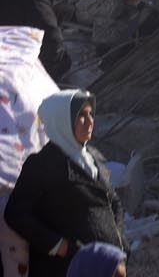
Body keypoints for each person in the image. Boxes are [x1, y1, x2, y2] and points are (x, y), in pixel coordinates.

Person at [5, 90, 126, 277]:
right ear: (61, 121)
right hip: (65, 268)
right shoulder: (43, 163)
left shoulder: (93, 158)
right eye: (81, 116)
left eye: (91, 114)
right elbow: (16, 213)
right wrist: (60, 246)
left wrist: (118, 242)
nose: (90, 121)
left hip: (105, 266)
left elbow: (114, 203)